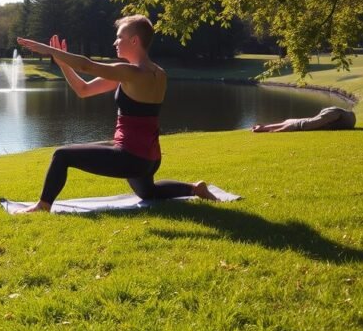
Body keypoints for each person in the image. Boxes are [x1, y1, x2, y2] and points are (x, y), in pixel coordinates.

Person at [12, 15, 217, 213]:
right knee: (148, 192)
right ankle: (194, 188)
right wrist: (63, 63)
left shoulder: (130, 73)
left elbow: (86, 65)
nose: (115, 42)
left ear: (135, 40)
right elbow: (83, 90)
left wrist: (47, 50)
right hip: (149, 159)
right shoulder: (156, 73)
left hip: (130, 157)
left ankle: (43, 206)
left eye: (120, 37)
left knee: (61, 155)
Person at [252, 106, 356, 132]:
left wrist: (276, 131)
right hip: (338, 114)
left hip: (336, 114)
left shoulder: (335, 115)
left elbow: (306, 125)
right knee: (290, 121)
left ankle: (263, 128)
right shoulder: (345, 117)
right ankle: (263, 127)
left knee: (297, 124)